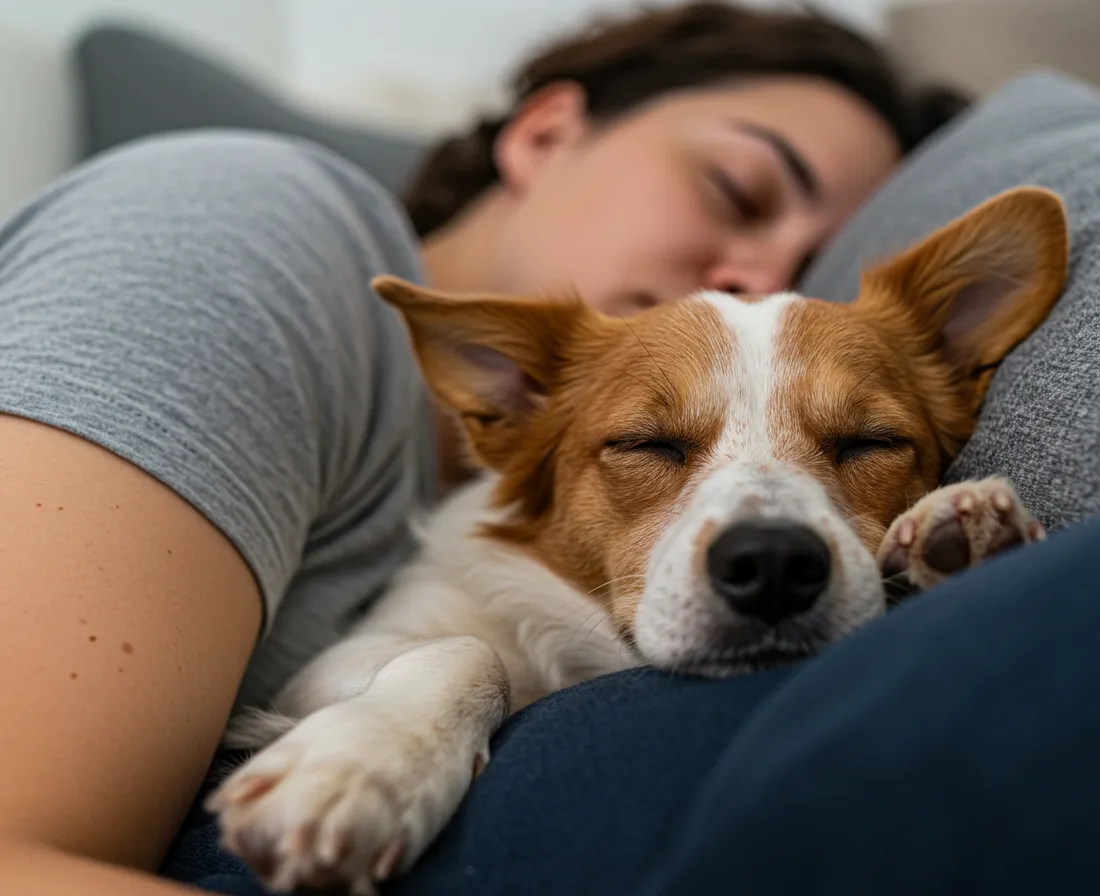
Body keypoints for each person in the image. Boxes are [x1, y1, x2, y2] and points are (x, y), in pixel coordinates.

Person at [0, 2, 969, 892]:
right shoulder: (239, 236)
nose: (752, 275)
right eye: (737, 187)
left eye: (810, 270)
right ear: (545, 132)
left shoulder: (517, 505)